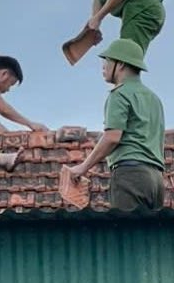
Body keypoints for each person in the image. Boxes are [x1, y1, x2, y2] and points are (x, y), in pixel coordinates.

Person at [67, 39, 166, 210]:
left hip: (130, 175)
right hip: (156, 180)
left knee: (126, 234)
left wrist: (83, 167)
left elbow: (112, 137)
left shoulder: (119, 95)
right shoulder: (154, 99)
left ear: (120, 64)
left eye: (107, 61)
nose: (103, 66)